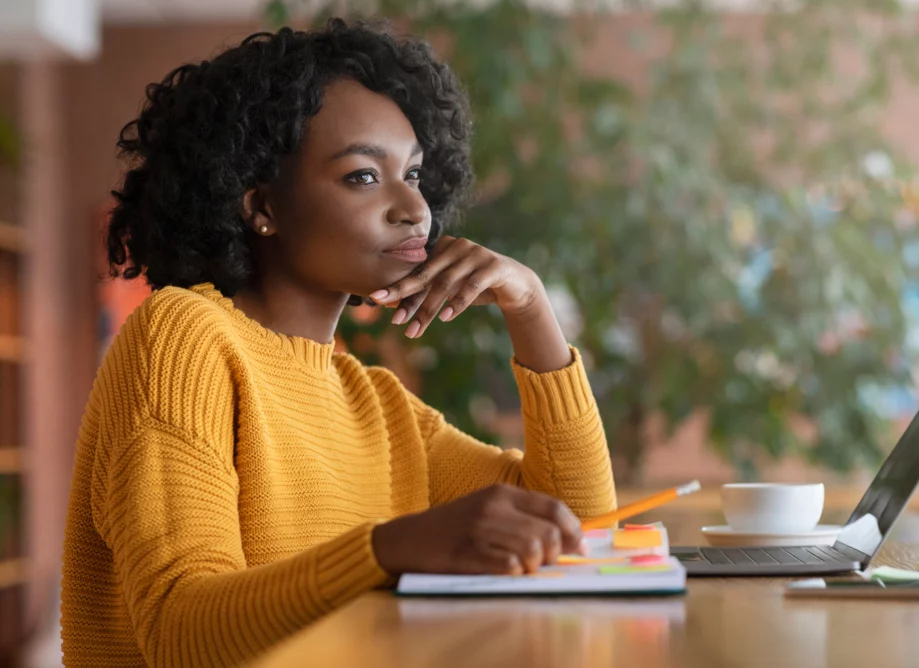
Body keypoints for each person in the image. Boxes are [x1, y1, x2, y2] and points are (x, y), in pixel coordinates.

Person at [60, 18, 617, 668]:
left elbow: (579, 525)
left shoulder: (372, 400)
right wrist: (388, 549)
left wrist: (531, 308)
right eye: (362, 176)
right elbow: (180, 632)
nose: (413, 206)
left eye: (413, 172)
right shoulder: (184, 336)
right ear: (261, 204)